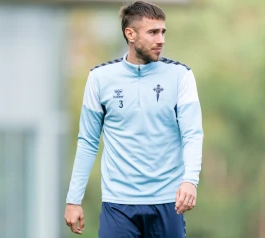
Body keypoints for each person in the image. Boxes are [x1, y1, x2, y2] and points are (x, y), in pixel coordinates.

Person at [64, 1, 203, 237]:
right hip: (118, 205)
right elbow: (87, 141)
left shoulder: (181, 76)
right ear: (130, 34)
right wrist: (73, 200)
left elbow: (192, 134)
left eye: (163, 32)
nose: (161, 39)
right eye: (153, 32)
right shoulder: (100, 78)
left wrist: (190, 180)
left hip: (168, 202)